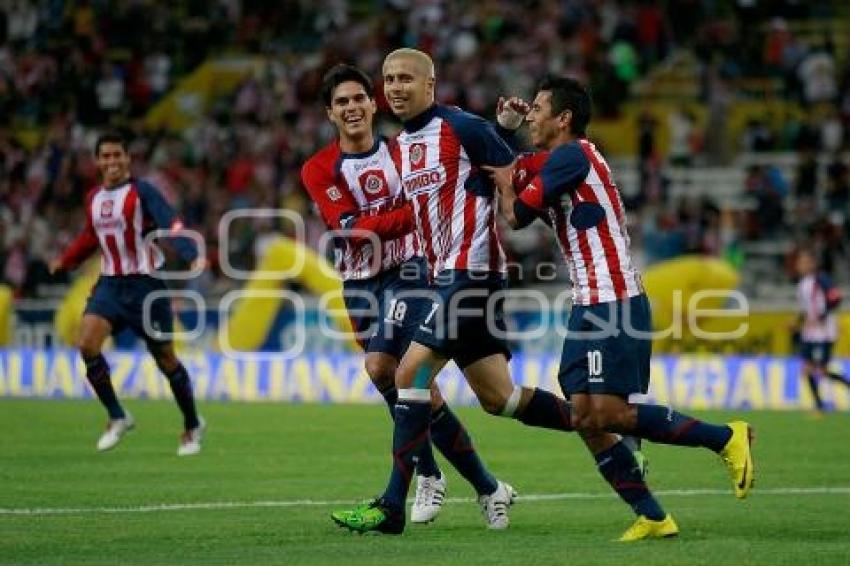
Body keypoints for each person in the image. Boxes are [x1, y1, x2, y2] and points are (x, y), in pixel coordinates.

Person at [331, 49, 657, 539]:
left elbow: (511, 169)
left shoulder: (461, 126)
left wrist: (503, 135)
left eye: (406, 78)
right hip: (443, 275)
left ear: (430, 84)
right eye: (389, 79)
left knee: (408, 374)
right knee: (500, 399)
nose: (396, 87)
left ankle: (394, 503)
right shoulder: (399, 147)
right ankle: (606, 427)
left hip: (474, 273)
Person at [487, 75, 755, 538]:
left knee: (606, 414)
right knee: (585, 416)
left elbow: (514, 213)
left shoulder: (572, 156)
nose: (532, 113)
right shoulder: (556, 160)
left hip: (612, 300)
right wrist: (506, 130)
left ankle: (725, 438)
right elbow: (501, 164)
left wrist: (508, 184)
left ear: (564, 118)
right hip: (590, 303)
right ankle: (652, 516)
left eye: (539, 107)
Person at [301, 64, 508, 527]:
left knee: (386, 367)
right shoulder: (318, 169)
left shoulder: (401, 151)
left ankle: (420, 482)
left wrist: (390, 218)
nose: (352, 108)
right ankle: (483, 485)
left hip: (411, 270)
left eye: (359, 99)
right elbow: (349, 231)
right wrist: (404, 211)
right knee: (411, 387)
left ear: (373, 105)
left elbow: (426, 204)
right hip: (358, 282)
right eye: (342, 103)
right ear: (330, 113)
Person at [49, 132, 206, 456]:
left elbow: (169, 222)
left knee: (166, 359)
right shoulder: (94, 197)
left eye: (117, 155)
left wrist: (190, 251)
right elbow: (90, 238)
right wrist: (66, 261)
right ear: (97, 162)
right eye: (105, 156)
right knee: (87, 344)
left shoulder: (142, 191)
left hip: (146, 286)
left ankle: (192, 424)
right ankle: (118, 416)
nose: (111, 161)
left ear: (127, 159)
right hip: (110, 285)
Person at [792, 247, 850, 415]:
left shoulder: (822, 279)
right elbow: (806, 309)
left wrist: (822, 316)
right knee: (807, 369)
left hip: (824, 333)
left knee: (821, 370)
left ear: (812, 263)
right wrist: (797, 322)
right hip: (809, 333)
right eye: (799, 262)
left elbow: (836, 298)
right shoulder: (802, 284)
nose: (800, 265)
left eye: (804, 262)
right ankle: (819, 406)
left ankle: (821, 406)